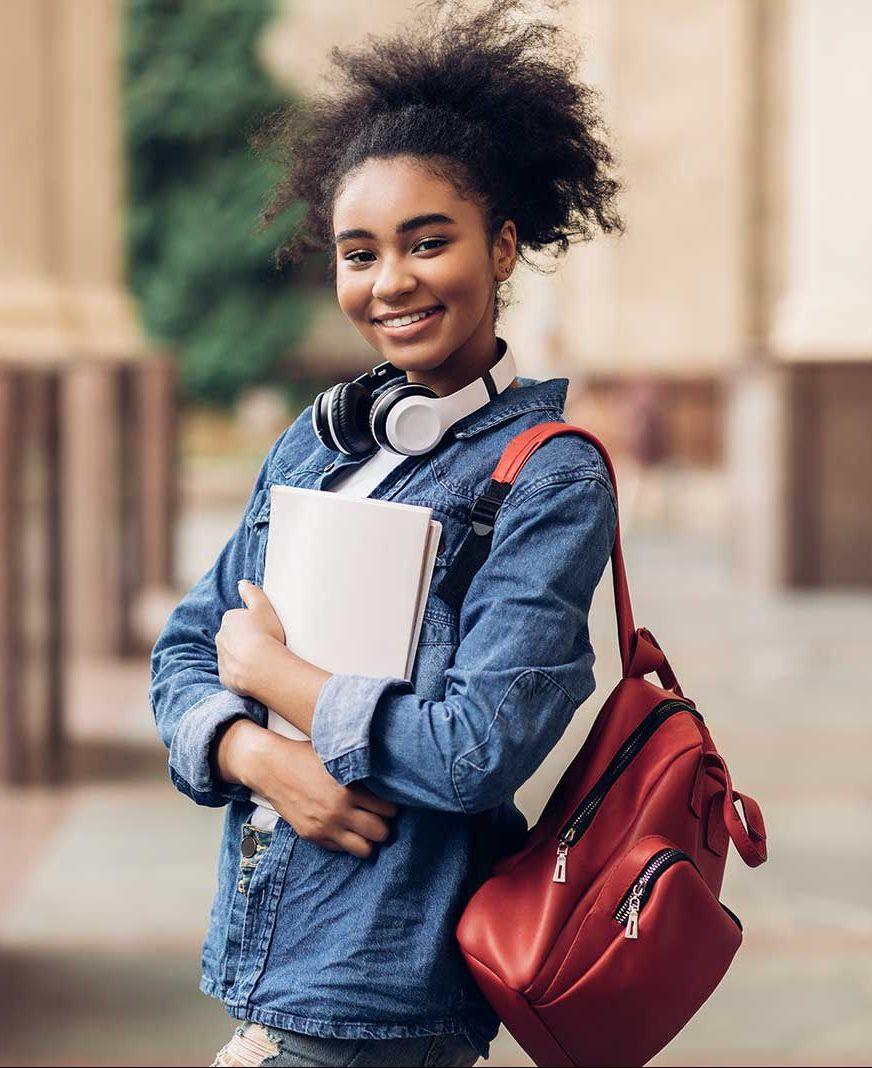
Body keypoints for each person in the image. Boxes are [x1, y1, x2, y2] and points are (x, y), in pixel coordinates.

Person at [149, 1, 625, 1064]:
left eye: (427, 242)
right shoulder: (315, 447)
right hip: (261, 962)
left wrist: (274, 678)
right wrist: (251, 756)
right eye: (358, 253)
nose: (391, 281)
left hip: (389, 994)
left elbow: (474, 751)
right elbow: (184, 651)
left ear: (502, 246)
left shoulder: (547, 476)